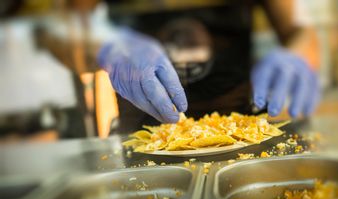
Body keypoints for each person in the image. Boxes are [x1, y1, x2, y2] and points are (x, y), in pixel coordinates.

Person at [42, 0, 320, 132]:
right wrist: (108, 49)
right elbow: (56, 32)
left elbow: (302, 32)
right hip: (142, 139)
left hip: (241, 134)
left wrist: (296, 57)